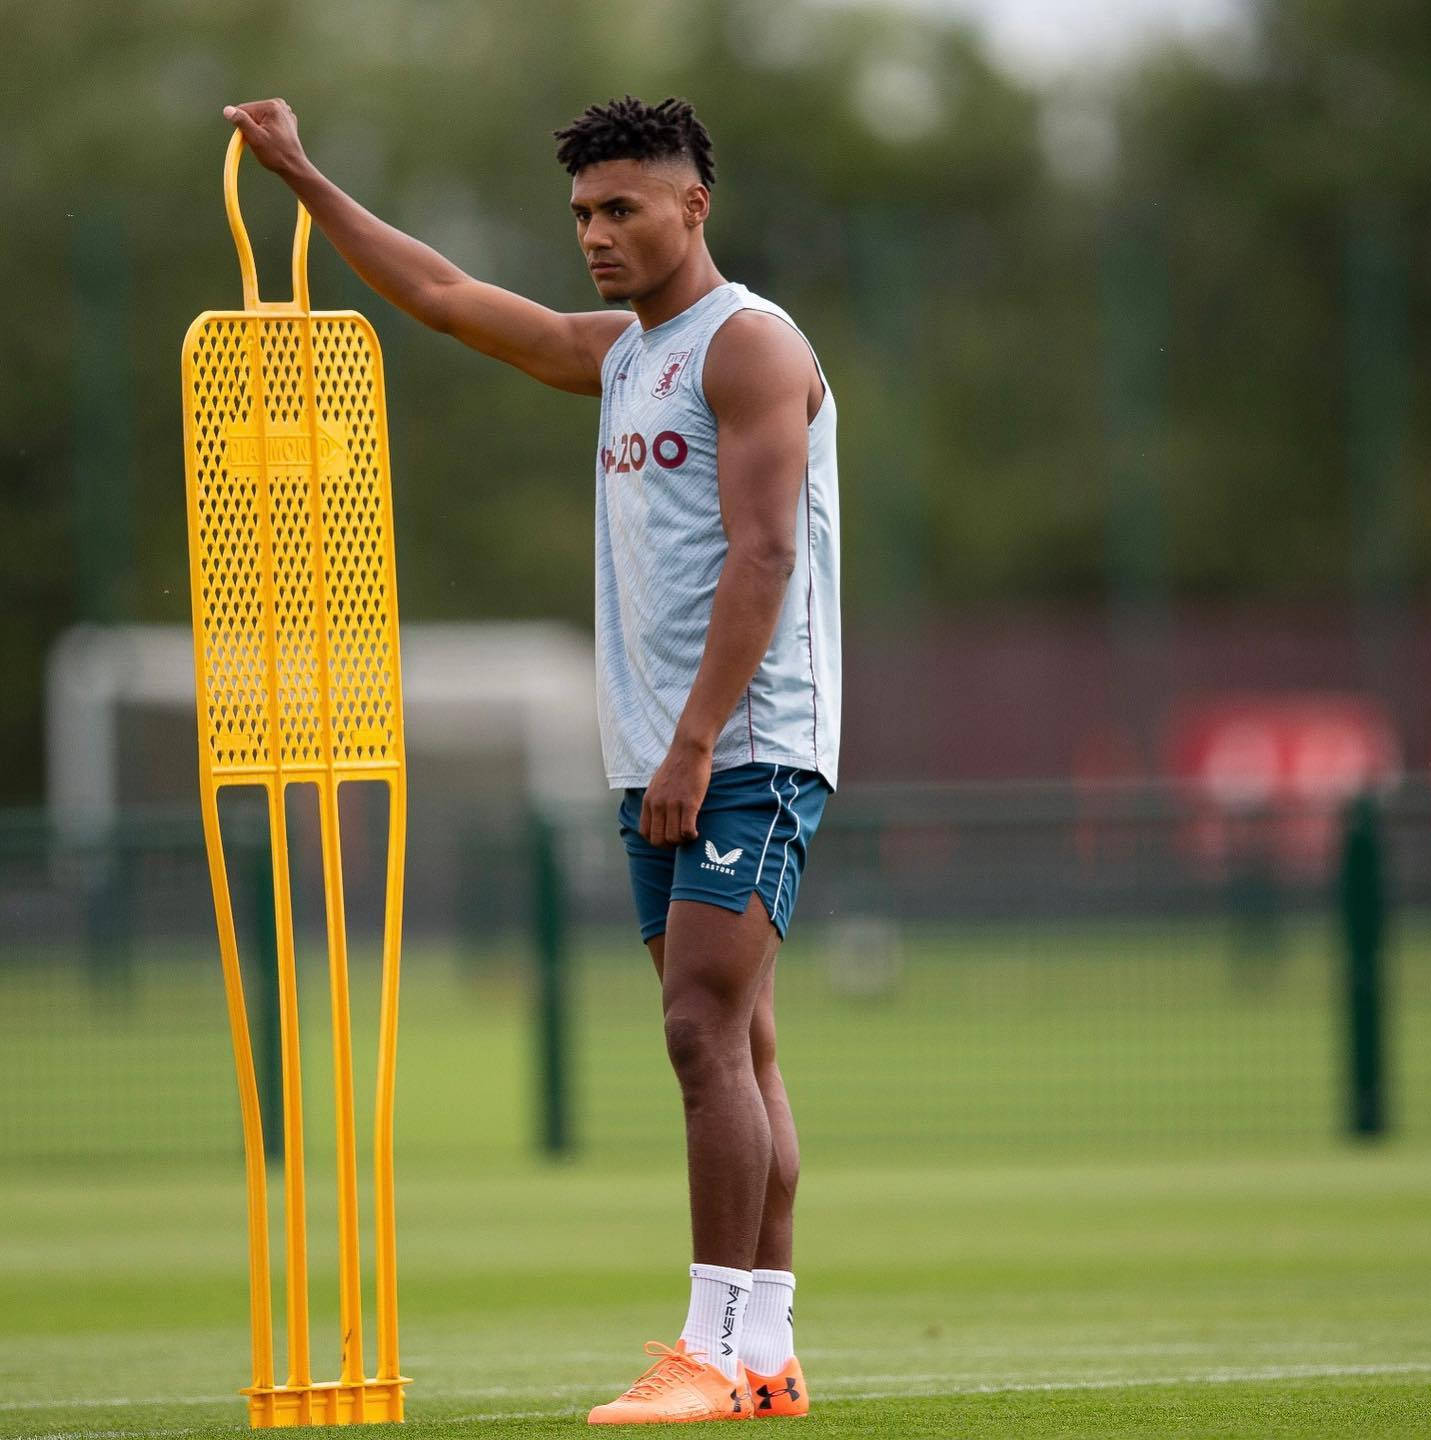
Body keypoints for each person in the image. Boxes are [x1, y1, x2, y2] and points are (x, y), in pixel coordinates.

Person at [223, 93, 840, 1425]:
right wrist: (305, 178)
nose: (596, 234)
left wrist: (693, 745)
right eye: (581, 213)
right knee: (740, 1048)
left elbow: (768, 554)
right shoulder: (624, 354)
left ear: (694, 206)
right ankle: (769, 1351)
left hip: (745, 746)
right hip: (661, 755)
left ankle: (709, 1354)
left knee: (698, 1032)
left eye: (622, 207)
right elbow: (443, 293)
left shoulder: (749, 346)